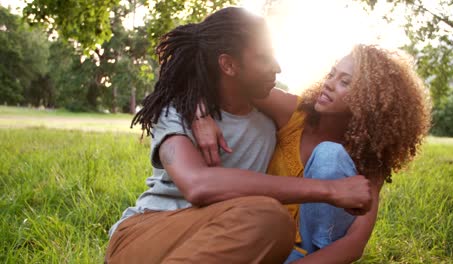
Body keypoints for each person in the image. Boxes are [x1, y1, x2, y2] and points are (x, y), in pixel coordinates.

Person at [105, 7, 372, 264]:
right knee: (269, 217)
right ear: (229, 65)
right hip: (145, 234)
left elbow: (330, 127)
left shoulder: (270, 118)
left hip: (227, 235)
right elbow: (198, 185)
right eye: (264, 58)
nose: (277, 67)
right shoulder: (177, 110)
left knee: (271, 225)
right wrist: (331, 190)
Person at [193, 44, 431, 263]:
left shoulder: (370, 157)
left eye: (345, 82)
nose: (329, 83)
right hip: (259, 233)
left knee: (330, 155)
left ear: (371, 102)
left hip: (309, 255)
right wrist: (200, 115)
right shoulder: (294, 113)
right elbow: (226, 80)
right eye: (332, 75)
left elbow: (354, 243)